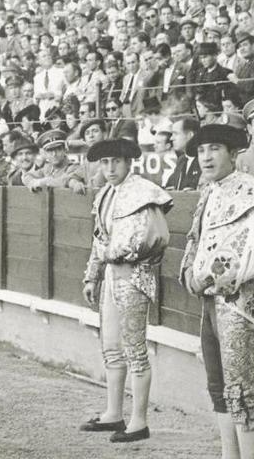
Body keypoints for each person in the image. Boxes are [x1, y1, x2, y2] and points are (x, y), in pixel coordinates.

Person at [179, 124, 254, 459]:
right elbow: (194, 241)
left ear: (233, 153)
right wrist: (187, 272)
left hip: (238, 302)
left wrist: (209, 278)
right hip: (209, 304)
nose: (206, 157)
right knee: (218, 386)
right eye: (201, 150)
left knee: (241, 389)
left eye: (214, 148)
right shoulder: (209, 192)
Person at [81, 138, 173, 444]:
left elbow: (146, 241)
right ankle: (113, 413)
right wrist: (92, 276)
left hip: (134, 277)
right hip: (111, 276)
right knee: (111, 348)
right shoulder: (106, 194)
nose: (109, 168)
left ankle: (139, 421)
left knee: (135, 350)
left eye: (115, 162)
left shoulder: (142, 192)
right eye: (104, 163)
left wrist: (109, 254)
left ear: (129, 162)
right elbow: (99, 240)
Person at [164, 117, 202, 191]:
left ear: (190, 135)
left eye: (175, 134)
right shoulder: (182, 160)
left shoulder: (203, 161)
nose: (171, 138)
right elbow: (169, 186)